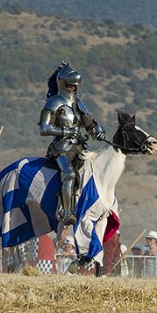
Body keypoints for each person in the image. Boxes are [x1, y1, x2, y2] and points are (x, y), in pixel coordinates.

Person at [38, 61, 107, 226]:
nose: (72, 89)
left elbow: (88, 122)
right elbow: (44, 128)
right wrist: (66, 132)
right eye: (69, 85)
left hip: (80, 148)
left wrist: (97, 129)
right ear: (63, 84)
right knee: (69, 174)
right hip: (61, 149)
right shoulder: (54, 103)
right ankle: (67, 212)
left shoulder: (78, 104)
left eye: (74, 86)